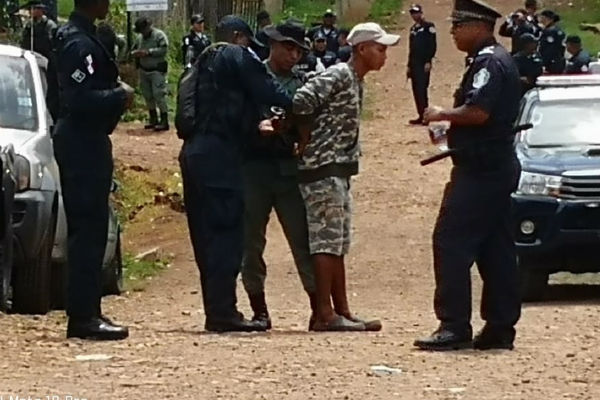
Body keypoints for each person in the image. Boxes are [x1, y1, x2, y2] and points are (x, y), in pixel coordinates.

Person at [415, 0, 522, 351]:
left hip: (481, 170)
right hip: (493, 165)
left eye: (458, 26)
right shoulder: (491, 59)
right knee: (496, 249)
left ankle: (453, 325)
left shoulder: (489, 61)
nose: (453, 32)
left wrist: (440, 113)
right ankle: (500, 327)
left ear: (477, 26)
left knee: (450, 241)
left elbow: (478, 112)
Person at [178, 15, 291, 333]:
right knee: (227, 233)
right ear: (239, 37)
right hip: (219, 156)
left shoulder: (199, 65)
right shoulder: (234, 55)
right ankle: (223, 313)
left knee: (205, 236)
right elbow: (269, 90)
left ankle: (216, 309)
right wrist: (297, 105)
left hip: (193, 153)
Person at [293, 22, 399, 331]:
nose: (384, 56)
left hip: (338, 170)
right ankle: (324, 313)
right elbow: (302, 99)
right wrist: (307, 136)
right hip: (322, 169)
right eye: (380, 49)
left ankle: (342, 310)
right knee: (325, 242)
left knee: (338, 242)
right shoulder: (339, 74)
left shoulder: (355, 80)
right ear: (362, 49)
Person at [54, 0, 134, 340]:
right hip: (82, 140)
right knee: (88, 230)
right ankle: (83, 317)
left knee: (92, 229)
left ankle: (88, 310)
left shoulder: (82, 36)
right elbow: (79, 98)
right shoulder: (78, 43)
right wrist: (119, 96)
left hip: (86, 139)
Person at [241, 19, 316, 330]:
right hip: (254, 167)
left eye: (298, 50)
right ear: (272, 44)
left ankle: (319, 306)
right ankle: (258, 309)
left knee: (303, 239)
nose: (293, 55)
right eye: (288, 48)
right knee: (250, 242)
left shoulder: (303, 83)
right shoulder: (251, 77)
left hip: (288, 169)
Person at [20, 0, 59, 122]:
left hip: (45, 63)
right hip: (32, 60)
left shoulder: (50, 26)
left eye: (35, 9)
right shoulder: (29, 26)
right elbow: (24, 43)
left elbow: (53, 45)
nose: (32, 11)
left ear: (41, 11)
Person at [131, 17, 169, 131]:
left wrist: (148, 52)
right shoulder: (139, 38)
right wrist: (135, 54)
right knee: (148, 95)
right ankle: (153, 118)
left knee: (159, 94)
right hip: (144, 70)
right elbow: (133, 49)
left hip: (156, 70)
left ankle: (164, 119)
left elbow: (164, 49)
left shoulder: (159, 35)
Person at [406, 4, 437, 125]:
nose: (414, 15)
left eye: (416, 12)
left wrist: (428, 60)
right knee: (416, 90)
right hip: (414, 63)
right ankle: (420, 114)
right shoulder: (413, 29)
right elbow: (411, 48)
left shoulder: (429, 27)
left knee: (422, 89)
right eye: (412, 13)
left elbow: (432, 45)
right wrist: (408, 65)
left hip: (423, 62)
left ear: (421, 13)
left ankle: (426, 115)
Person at [538, 10, 566, 74]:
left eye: (543, 19)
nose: (542, 21)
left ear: (550, 19)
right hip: (559, 60)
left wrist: (544, 62)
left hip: (551, 63)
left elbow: (549, 49)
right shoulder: (558, 30)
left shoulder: (550, 31)